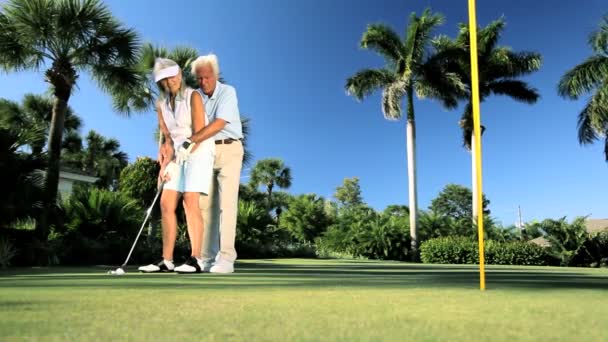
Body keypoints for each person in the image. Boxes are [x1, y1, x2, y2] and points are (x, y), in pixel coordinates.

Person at [138, 58, 215, 273]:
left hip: (200, 150)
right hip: (177, 154)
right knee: (166, 202)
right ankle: (167, 260)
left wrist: (186, 150)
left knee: (190, 201)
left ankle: (197, 259)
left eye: (172, 76)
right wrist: (165, 165)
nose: (170, 81)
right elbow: (168, 138)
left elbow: (200, 131)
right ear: (160, 82)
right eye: (164, 79)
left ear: (180, 75)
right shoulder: (161, 105)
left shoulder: (194, 96)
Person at [188, 54, 243, 273]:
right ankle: (206, 258)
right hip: (205, 151)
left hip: (229, 148)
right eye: (199, 78)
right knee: (205, 206)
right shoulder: (195, 97)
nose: (204, 82)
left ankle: (227, 259)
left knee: (226, 205)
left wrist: (191, 140)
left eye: (207, 77)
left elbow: (220, 123)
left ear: (216, 74)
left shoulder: (228, 92)